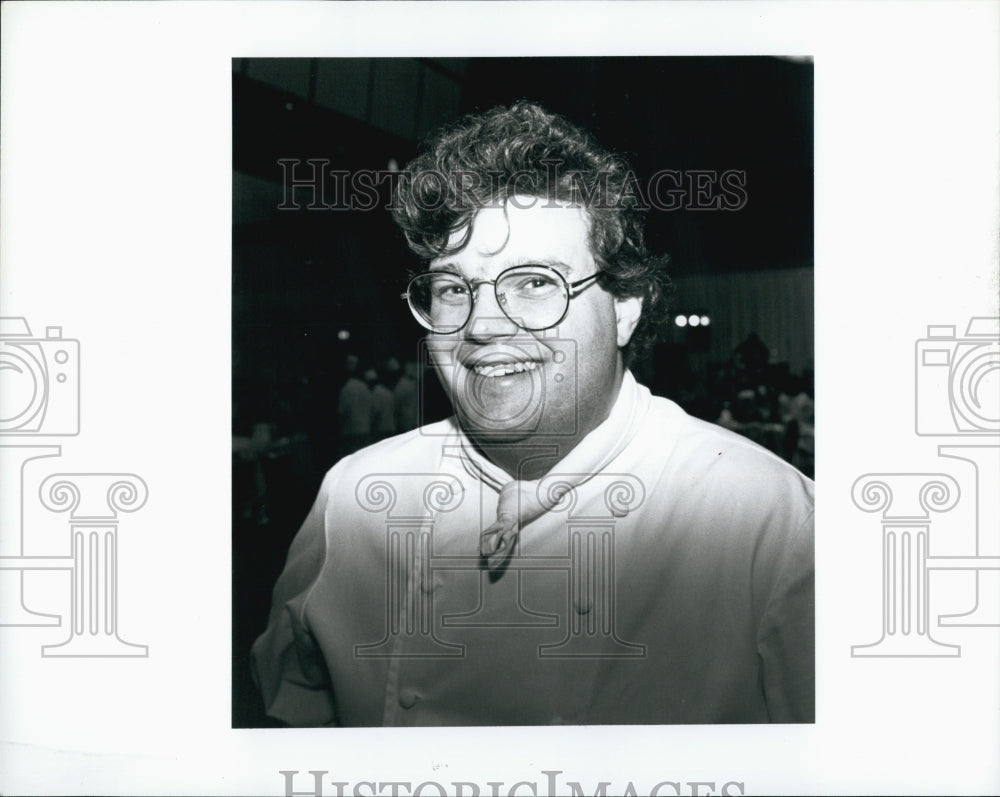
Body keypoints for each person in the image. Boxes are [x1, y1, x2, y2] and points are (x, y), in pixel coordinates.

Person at [252, 101, 814, 726]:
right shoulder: (354, 497)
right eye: (452, 289)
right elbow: (297, 724)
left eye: (535, 282)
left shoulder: (766, 518)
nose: (484, 325)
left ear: (626, 304)